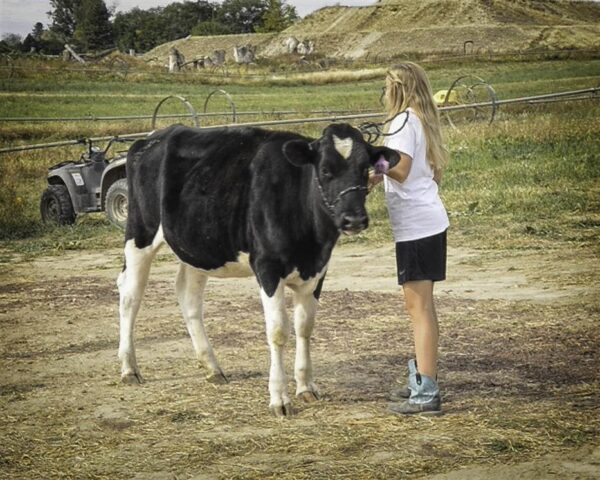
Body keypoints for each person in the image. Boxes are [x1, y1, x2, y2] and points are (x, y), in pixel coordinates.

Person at [369, 63, 449, 415]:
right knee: (424, 309)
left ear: (395, 88)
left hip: (416, 228)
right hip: (428, 221)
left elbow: (400, 169)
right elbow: (431, 173)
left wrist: (374, 163)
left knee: (419, 311)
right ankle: (422, 380)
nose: (385, 94)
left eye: (386, 87)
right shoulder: (422, 119)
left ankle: (426, 393)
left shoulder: (402, 122)